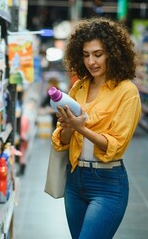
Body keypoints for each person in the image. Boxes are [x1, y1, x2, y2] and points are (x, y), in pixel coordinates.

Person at [51, 17, 142, 239]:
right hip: (75, 180)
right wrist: (69, 127)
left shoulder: (126, 91)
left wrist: (80, 128)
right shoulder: (79, 87)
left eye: (98, 54)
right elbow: (62, 140)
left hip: (108, 183)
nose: (91, 61)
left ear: (113, 52)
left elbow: (116, 145)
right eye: (86, 55)